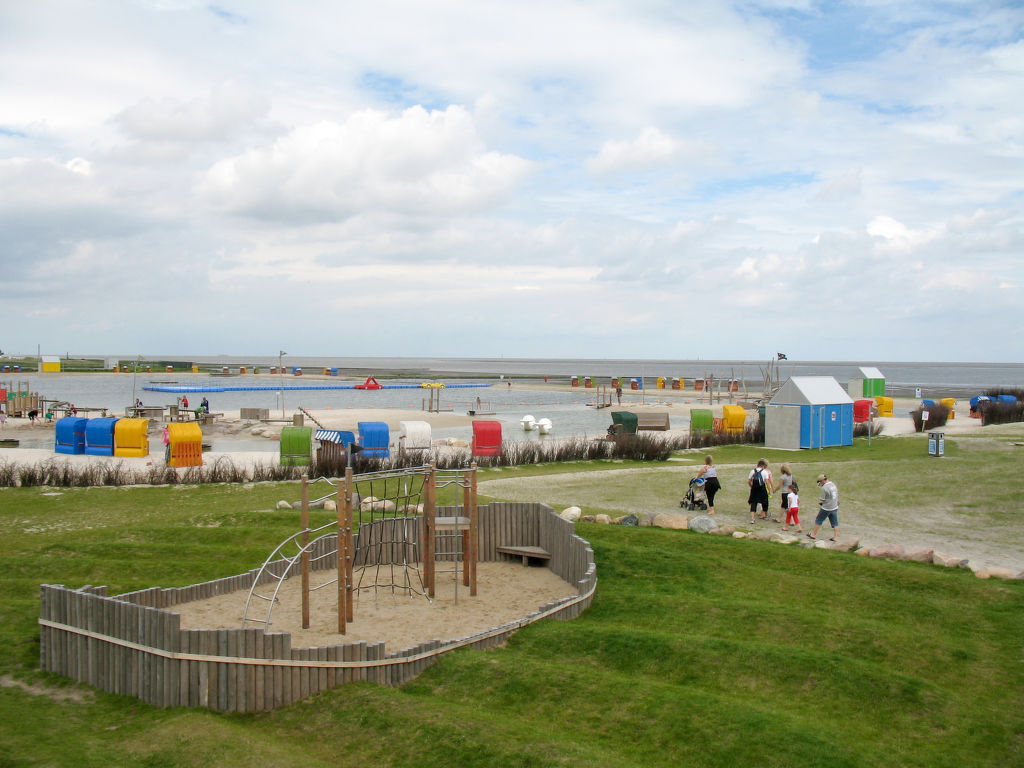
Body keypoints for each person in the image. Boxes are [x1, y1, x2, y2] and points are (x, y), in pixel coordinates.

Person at [809, 473, 840, 541]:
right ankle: (836, 537)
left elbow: (822, 499)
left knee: (819, 520)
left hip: (826, 508)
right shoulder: (833, 484)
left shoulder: (824, 488)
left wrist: (821, 502)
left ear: (822, 480)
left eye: (820, 482)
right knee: (835, 522)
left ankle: (813, 534)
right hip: (834, 506)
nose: (820, 484)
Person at [747, 458, 773, 523]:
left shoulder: (752, 471)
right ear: (763, 466)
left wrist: (752, 486)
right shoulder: (764, 472)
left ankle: (752, 518)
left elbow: (749, 481)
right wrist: (769, 490)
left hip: (754, 488)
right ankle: (764, 514)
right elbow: (767, 482)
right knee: (765, 501)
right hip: (762, 488)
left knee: (753, 503)